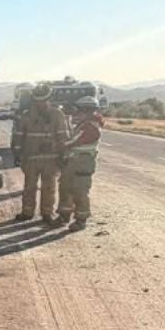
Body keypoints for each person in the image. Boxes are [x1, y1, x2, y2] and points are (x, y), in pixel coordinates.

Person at [12, 83, 70, 222]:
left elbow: (63, 136)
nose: (41, 103)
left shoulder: (57, 114)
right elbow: (18, 136)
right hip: (31, 158)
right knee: (29, 187)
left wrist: (64, 154)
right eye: (38, 100)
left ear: (49, 99)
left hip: (51, 159)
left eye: (43, 100)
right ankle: (27, 212)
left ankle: (47, 213)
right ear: (34, 100)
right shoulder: (26, 116)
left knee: (49, 187)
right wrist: (17, 154)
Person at [54, 96, 104, 231]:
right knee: (65, 188)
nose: (76, 112)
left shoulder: (91, 127)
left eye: (79, 110)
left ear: (87, 110)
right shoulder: (83, 124)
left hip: (83, 162)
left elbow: (74, 142)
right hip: (73, 161)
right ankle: (64, 216)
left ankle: (81, 220)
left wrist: (58, 146)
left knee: (80, 191)